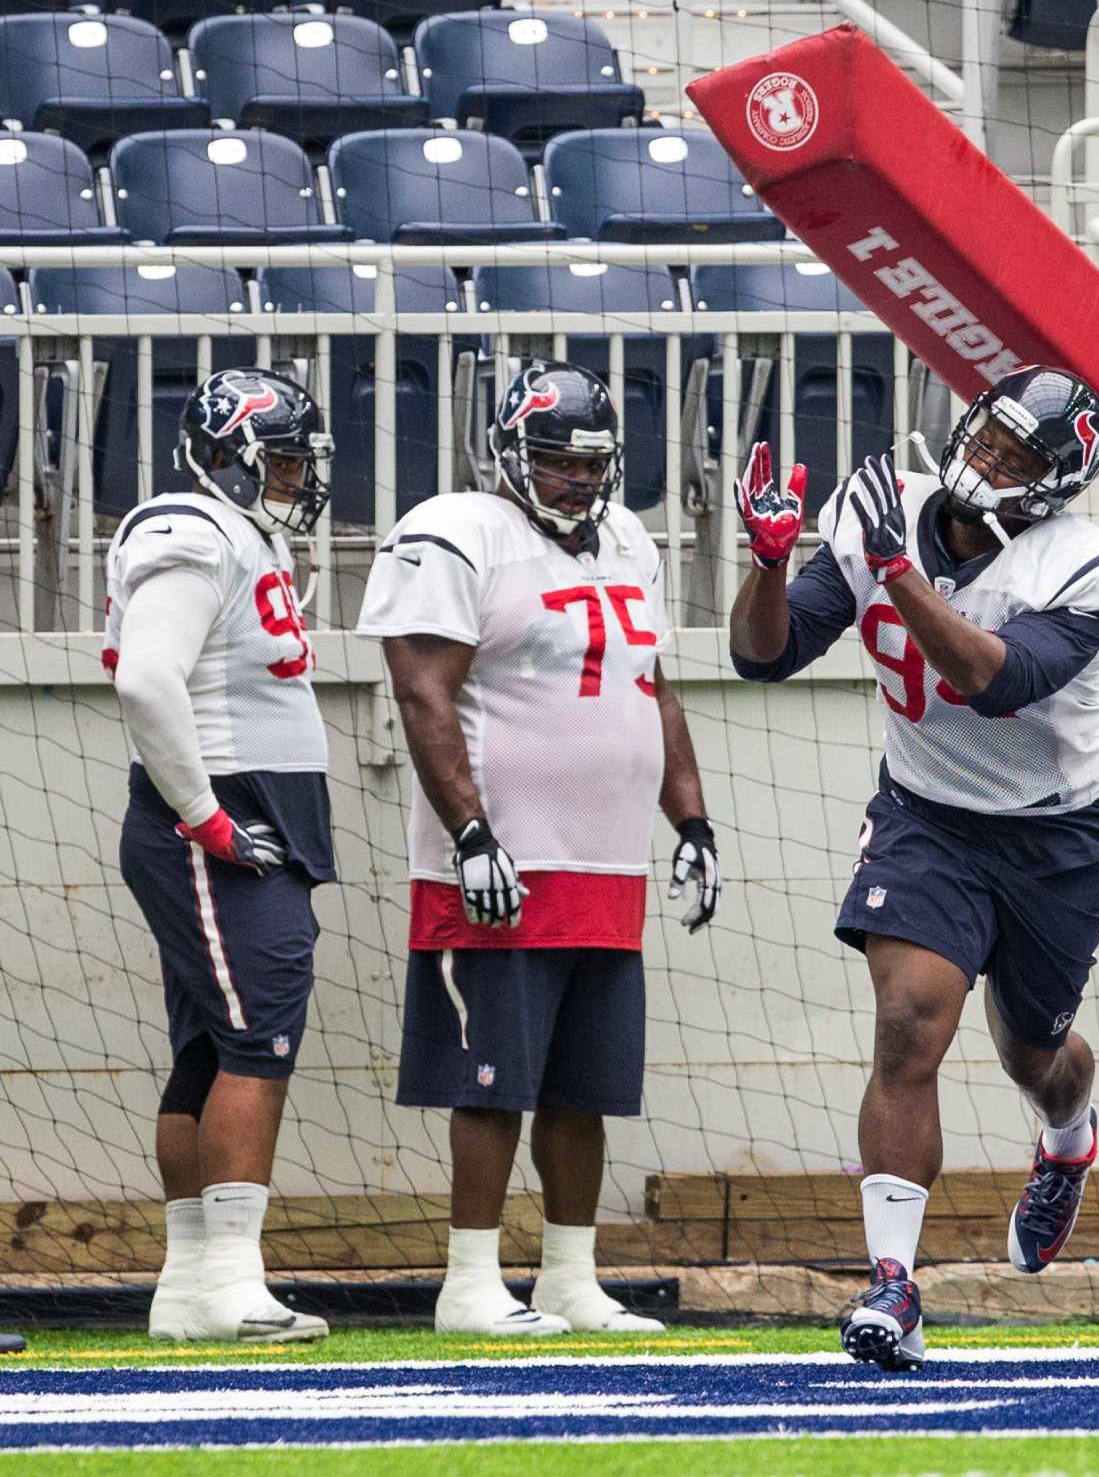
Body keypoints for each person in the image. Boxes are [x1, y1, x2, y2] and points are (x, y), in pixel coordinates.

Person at [729, 366, 1099, 1372]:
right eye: (988, 437)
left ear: (1055, 484)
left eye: (1017, 456)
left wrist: (894, 569)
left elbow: (988, 679)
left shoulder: (1086, 566)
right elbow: (763, 656)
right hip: (926, 816)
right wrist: (772, 564)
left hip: (1058, 834)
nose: (989, 460)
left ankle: (1067, 1136)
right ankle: (894, 1284)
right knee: (910, 1016)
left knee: (1032, 1054)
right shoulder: (886, 511)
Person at [356, 360, 720, 1336]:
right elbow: (423, 692)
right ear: (511, 454)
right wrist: (471, 832)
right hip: (499, 861)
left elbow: (654, 686)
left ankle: (569, 1275)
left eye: (590, 460)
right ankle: (470, 1283)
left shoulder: (630, 538)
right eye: (555, 459)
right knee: (491, 1078)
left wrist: (690, 820)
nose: (575, 477)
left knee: (581, 1081)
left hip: (605, 861)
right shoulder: (458, 531)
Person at [105, 368, 338, 1344]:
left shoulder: (243, 535)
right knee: (258, 1042)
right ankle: (231, 1284)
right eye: (280, 458)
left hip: (244, 807)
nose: (296, 476)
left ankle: (190, 1285)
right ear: (229, 458)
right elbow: (148, 681)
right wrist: (201, 813)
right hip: (219, 812)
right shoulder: (193, 530)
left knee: (209, 1047)